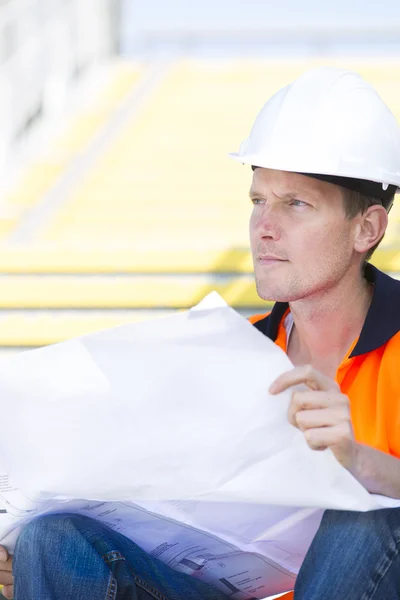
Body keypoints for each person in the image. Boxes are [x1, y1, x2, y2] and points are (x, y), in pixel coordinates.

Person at [1, 65, 400, 600]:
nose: (265, 226)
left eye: (296, 204)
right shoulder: (231, 358)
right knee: (52, 540)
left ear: (367, 228)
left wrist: (358, 462)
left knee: (365, 520)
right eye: (259, 200)